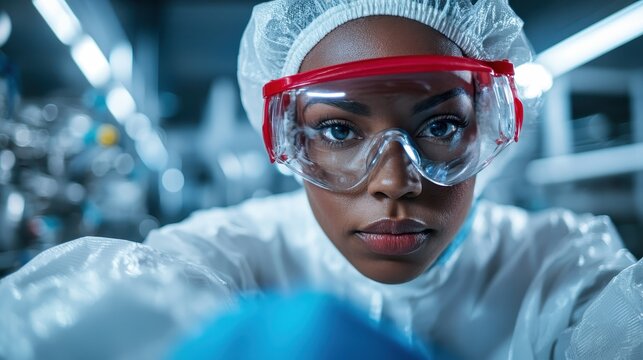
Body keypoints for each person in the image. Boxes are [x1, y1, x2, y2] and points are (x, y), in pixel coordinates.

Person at [0, 0, 641, 359]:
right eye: (338, 131)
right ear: (286, 138)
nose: (393, 180)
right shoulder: (227, 255)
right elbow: (79, 316)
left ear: (488, 132)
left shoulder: (561, 268)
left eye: (441, 125)